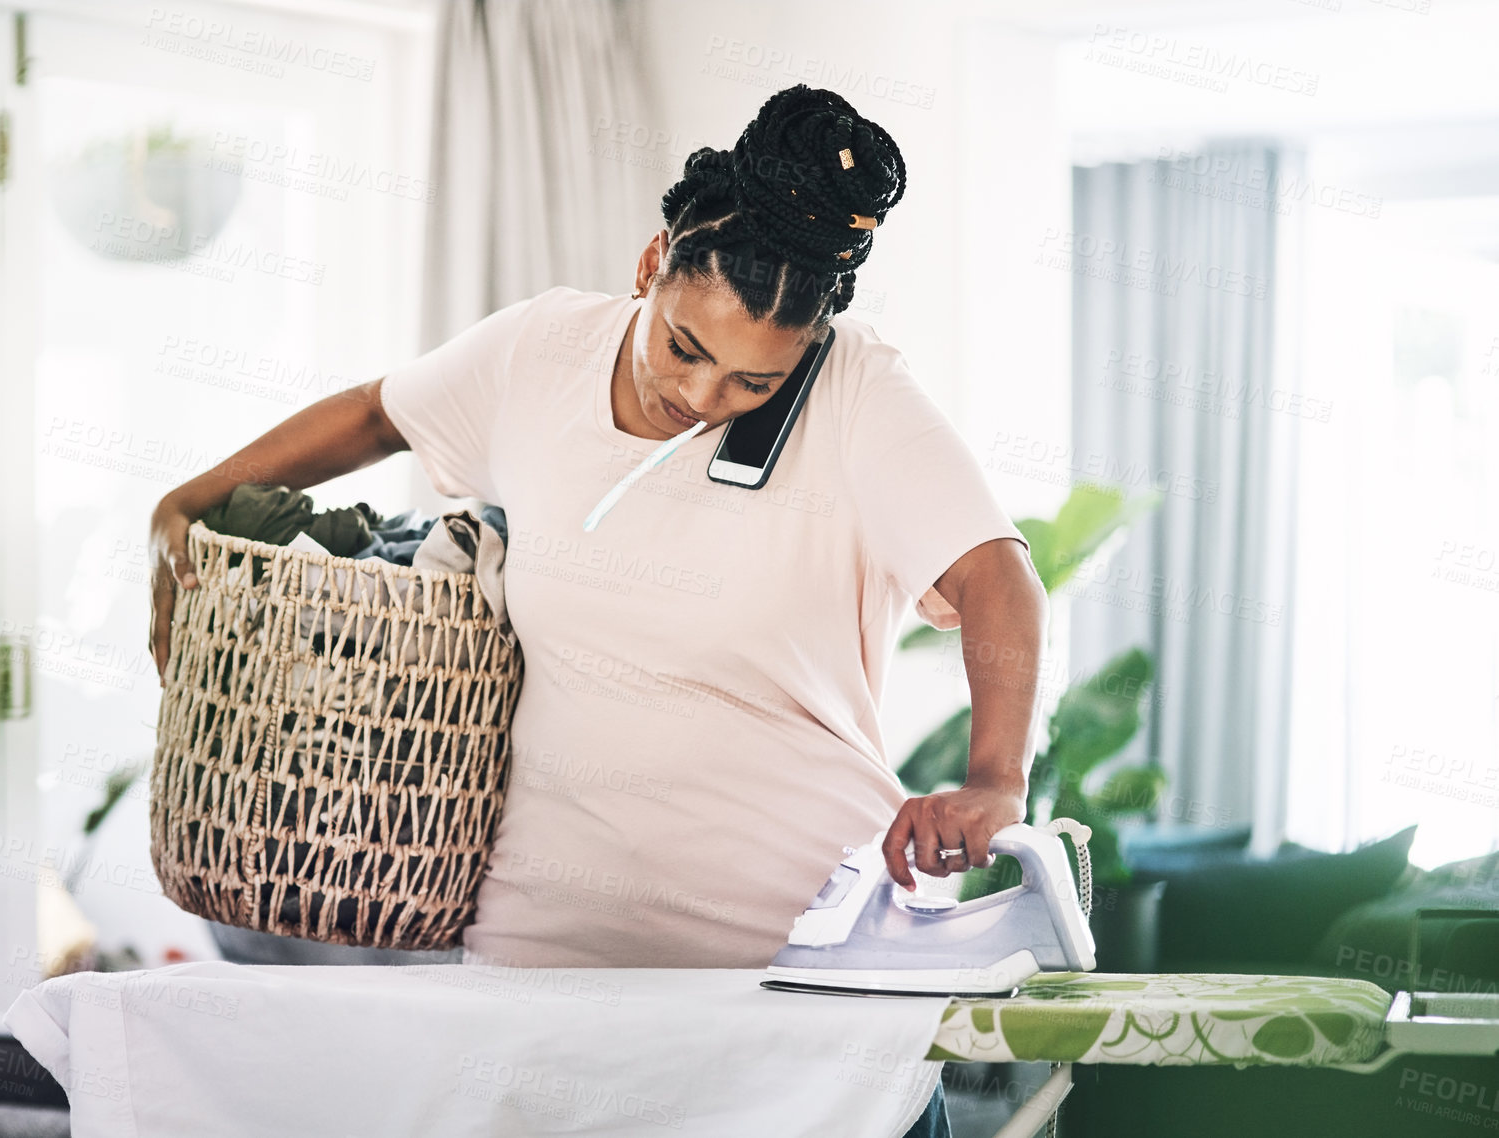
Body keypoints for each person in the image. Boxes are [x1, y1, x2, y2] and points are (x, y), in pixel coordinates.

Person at [149, 84, 1045, 1137]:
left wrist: (994, 778)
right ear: (650, 264)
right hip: (547, 965)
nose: (706, 397)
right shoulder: (541, 353)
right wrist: (184, 501)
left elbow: (996, 575)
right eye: (684, 348)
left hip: (799, 986)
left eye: (755, 381)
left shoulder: (856, 395)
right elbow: (373, 413)